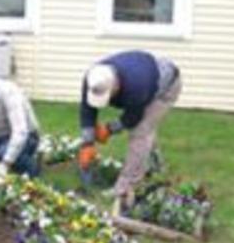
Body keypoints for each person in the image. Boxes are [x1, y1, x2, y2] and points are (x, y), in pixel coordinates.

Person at [78, 50, 182, 204]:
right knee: (146, 130)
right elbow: (87, 108)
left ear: (116, 86)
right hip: (148, 73)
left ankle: (125, 187)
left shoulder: (136, 86)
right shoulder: (93, 77)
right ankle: (156, 166)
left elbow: (132, 118)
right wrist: (87, 143)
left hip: (167, 86)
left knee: (141, 132)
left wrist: (109, 129)